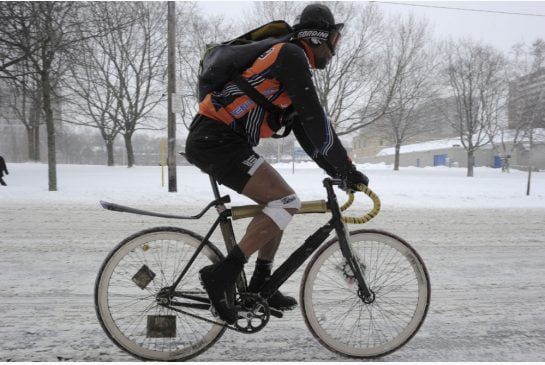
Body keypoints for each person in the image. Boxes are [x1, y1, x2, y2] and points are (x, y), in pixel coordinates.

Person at [185, 3, 369, 324]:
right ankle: (221, 275)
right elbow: (315, 119)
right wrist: (348, 167)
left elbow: (309, 138)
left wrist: (337, 172)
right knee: (285, 202)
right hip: (214, 139)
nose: (334, 53)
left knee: (279, 203)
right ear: (316, 37)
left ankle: (260, 284)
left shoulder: (287, 69)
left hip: (223, 141)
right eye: (334, 43)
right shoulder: (290, 55)